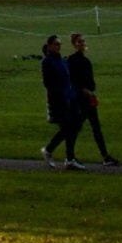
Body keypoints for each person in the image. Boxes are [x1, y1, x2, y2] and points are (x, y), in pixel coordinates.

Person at [65, 35, 122, 165]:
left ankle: (105, 156)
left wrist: (91, 92)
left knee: (95, 127)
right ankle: (69, 156)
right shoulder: (72, 60)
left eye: (83, 41)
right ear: (74, 44)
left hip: (89, 98)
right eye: (79, 42)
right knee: (76, 128)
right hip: (80, 100)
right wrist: (84, 90)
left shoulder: (85, 61)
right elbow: (72, 80)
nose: (82, 43)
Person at [36, 39, 79, 168]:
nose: (59, 46)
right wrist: (60, 94)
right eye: (56, 44)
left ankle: (68, 158)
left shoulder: (62, 61)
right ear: (49, 46)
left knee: (71, 128)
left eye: (59, 44)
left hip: (68, 98)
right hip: (57, 101)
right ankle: (51, 151)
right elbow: (48, 83)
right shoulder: (47, 62)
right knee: (68, 128)